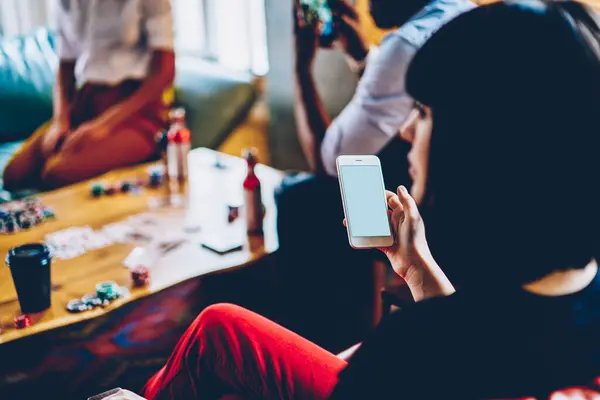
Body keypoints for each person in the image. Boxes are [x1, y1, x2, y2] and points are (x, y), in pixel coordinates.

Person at [142, 1, 600, 399]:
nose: (406, 131)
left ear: (471, 152)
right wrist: (418, 270)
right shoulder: (575, 302)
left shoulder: (406, 350)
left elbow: (456, 344)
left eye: (422, 114)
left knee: (219, 327)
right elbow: (487, 340)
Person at [276, 0, 475, 352]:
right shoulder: (464, 14)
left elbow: (327, 159)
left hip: (442, 220)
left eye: (424, 115)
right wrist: (363, 56)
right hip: (470, 207)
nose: (362, 4)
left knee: (301, 194)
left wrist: (300, 67)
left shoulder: (405, 45)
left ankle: (323, 335)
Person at [2, 0, 175, 191]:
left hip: (134, 109)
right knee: (13, 175)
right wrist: (61, 121)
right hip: (86, 101)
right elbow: (65, 67)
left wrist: (103, 126)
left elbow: (165, 73)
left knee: (56, 173)